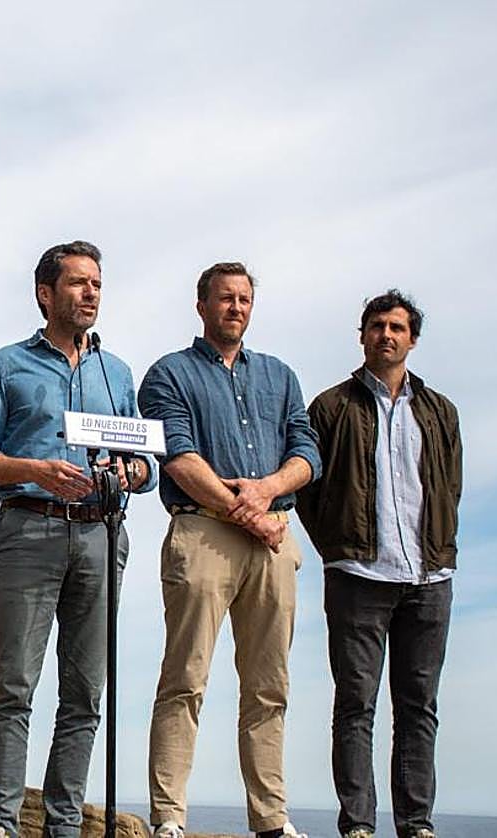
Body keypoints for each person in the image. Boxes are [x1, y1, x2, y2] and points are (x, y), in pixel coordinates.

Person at [0, 240, 156, 838]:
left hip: (101, 534)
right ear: (46, 294)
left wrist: (132, 472)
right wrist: (34, 469)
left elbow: (142, 463)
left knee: (85, 694)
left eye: (97, 283)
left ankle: (64, 826)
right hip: (28, 529)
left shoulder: (115, 372)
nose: (91, 292)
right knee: (15, 685)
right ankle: (1, 824)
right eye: (78, 283)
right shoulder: (6, 364)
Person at [137, 262, 320, 838]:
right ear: (202, 306)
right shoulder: (169, 373)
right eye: (224, 299)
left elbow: (306, 451)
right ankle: (169, 818)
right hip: (204, 535)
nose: (235, 308)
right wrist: (249, 513)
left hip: (274, 542)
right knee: (185, 678)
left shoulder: (281, 375)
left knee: (270, 686)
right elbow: (180, 458)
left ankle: (271, 818)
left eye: (244, 299)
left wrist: (266, 493)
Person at [296, 291, 460, 838]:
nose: (386, 335)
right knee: (356, 705)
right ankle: (359, 825)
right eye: (376, 326)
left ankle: (416, 823)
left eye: (397, 327)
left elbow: (448, 487)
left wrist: (438, 546)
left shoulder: (440, 412)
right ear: (362, 335)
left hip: (429, 579)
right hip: (359, 577)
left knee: (419, 708)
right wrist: (338, 548)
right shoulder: (330, 407)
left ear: (412, 338)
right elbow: (308, 492)